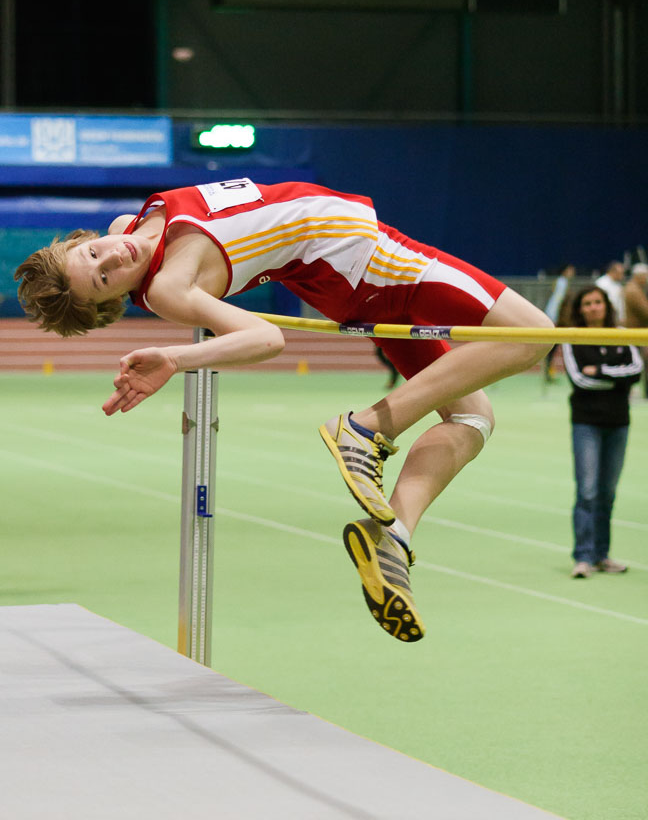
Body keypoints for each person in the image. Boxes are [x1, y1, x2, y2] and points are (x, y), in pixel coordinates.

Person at [15, 178, 553, 642]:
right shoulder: (169, 287)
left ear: (84, 240)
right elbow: (266, 338)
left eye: (92, 255)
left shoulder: (132, 222)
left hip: (341, 276)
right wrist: (177, 358)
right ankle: (366, 428)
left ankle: (394, 538)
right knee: (534, 335)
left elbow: (143, 234)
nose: (113, 257)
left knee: (472, 417)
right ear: (114, 301)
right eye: (105, 279)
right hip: (363, 255)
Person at [562, 286, 643, 579]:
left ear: (606, 305)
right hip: (586, 424)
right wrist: (616, 377)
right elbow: (581, 379)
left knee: (607, 494)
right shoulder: (572, 337)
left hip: (619, 423)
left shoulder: (622, 333)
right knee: (587, 491)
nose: (594, 307)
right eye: (588, 303)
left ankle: (602, 555)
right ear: (580, 309)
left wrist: (603, 371)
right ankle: (583, 556)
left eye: (598, 302)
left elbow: (635, 371)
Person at [543, 263, 575, 382]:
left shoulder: (561, 282)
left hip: (557, 318)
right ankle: (548, 372)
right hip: (556, 319)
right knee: (553, 347)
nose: (573, 272)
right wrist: (553, 317)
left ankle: (550, 372)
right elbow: (557, 300)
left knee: (554, 347)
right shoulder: (562, 283)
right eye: (571, 270)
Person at [623, 263, 648, 397]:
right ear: (639, 276)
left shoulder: (633, 288)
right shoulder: (634, 290)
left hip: (635, 332)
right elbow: (645, 312)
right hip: (636, 332)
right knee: (633, 362)